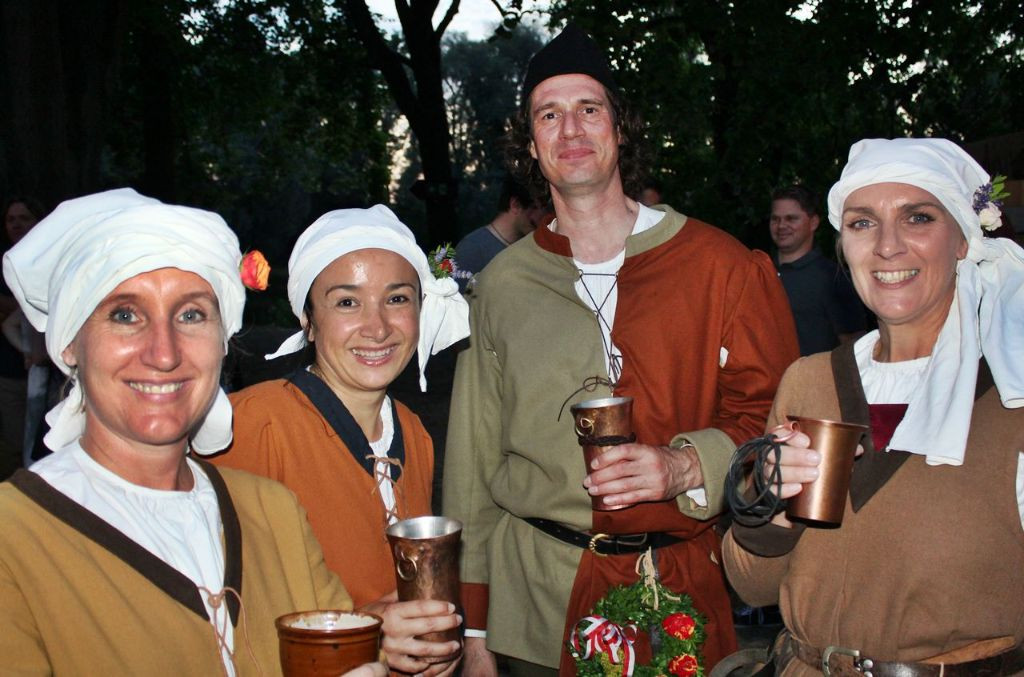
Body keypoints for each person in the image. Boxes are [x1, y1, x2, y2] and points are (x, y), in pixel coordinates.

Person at [442, 24, 799, 675]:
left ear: (621, 128)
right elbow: (472, 470)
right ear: (531, 144)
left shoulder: (720, 267)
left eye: (589, 109)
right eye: (549, 115)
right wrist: (474, 627)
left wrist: (687, 466)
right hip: (534, 610)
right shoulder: (500, 286)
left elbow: (778, 422)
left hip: (680, 596)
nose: (570, 129)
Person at [0, 188, 371, 675]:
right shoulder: (16, 538)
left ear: (222, 342)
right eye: (125, 315)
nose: (164, 352)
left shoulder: (272, 512)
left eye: (192, 314)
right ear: (69, 343)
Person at [724, 139, 1024, 675]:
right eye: (863, 223)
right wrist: (773, 505)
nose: (887, 246)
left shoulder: (1012, 395)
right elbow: (751, 583)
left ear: (962, 239)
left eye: (918, 218)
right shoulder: (810, 383)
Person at [208, 205, 470, 675]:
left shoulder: (413, 432)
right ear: (308, 319)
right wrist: (364, 634)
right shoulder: (251, 427)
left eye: (397, 299)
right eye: (347, 302)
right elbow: (220, 611)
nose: (378, 327)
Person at [769, 185, 868, 355]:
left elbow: (854, 347)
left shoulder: (833, 278)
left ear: (813, 222)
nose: (781, 225)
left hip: (813, 379)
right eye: (775, 219)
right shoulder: (760, 271)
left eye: (791, 219)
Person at [455, 177, 546, 291]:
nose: (541, 217)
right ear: (515, 205)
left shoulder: (529, 249)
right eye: (535, 208)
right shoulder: (471, 250)